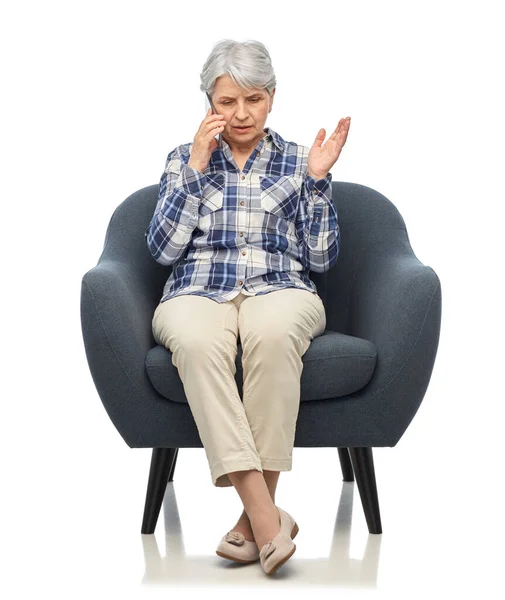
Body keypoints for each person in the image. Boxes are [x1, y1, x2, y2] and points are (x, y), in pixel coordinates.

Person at [145, 39, 350, 575]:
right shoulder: (182, 158)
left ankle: (248, 522)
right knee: (194, 339)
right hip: (196, 290)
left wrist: (320, 181)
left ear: (272, 99)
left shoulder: (298, 159)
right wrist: (192, 170)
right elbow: (161, 251)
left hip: (281, 287)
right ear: (208, 103)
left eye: (253, 100)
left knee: (274, 333)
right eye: (226, 102)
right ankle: (266, 516)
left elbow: (324, 258)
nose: (240, 114)